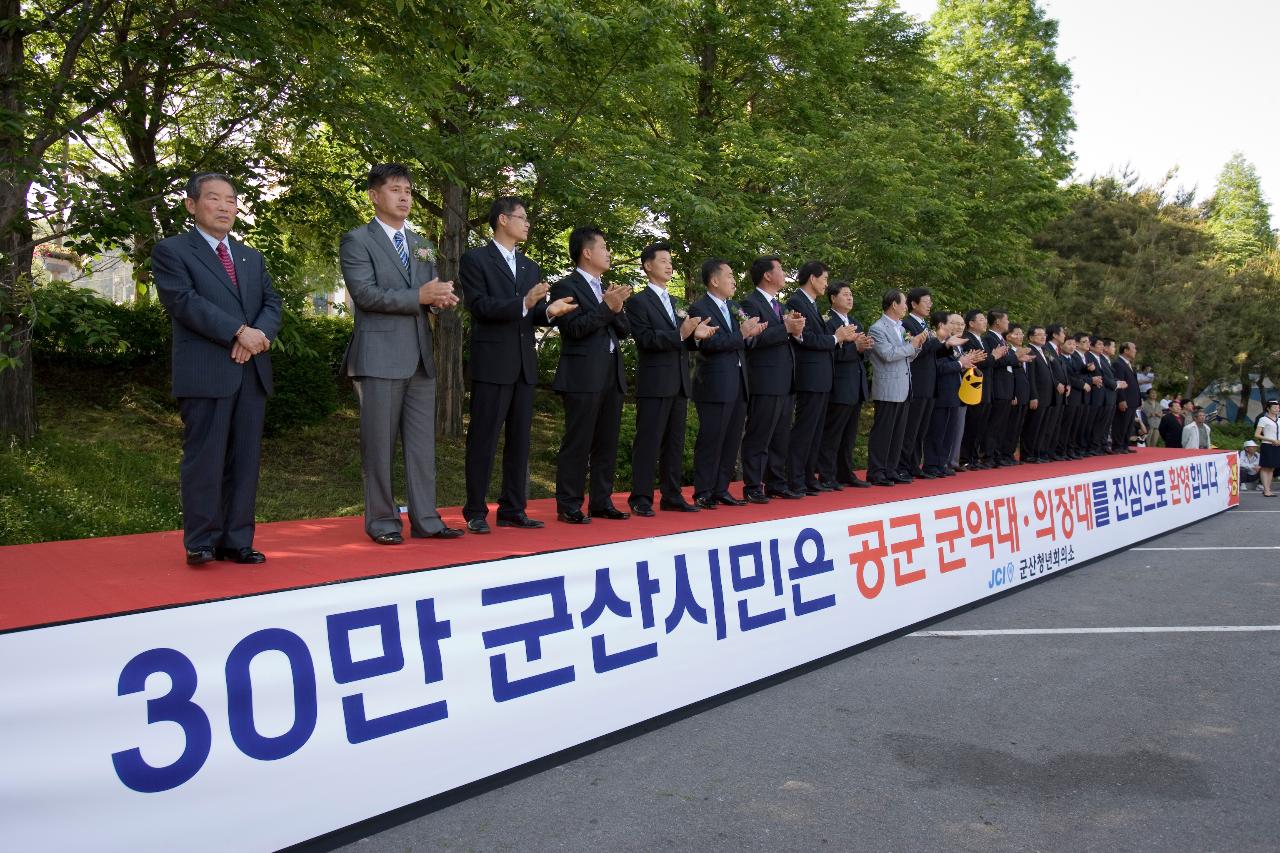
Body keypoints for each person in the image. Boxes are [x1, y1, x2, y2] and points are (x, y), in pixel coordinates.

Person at [153, 172, 282, 566]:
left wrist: (257, 334)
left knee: (244, 460)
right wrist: (238, 332)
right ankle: (202, 540)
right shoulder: (172, 251)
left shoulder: (250, 256)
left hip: (251, 371)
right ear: (192, 205)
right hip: (206, 371)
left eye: (231, 199)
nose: (225, 206)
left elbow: (272, 302)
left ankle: (236, 539)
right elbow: (184, 302)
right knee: (205, 459)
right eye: (214, 198)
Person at [342, 164, 462, 545]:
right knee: (378, 445)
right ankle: (382, 521)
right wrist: (420, 297)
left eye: (408, 189)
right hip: (378, 356)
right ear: (374, 196)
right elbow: (365, 295)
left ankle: (426, 518)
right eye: (395, 189)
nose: (405, 196)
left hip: (420, 356)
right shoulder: (357, 240)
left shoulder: (421, 242)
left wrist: (438, 301)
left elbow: (424, 292)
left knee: (422, 446)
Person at [459, 196, 577, 534]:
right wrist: (524, 302)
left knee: (520, 441)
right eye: (521, 217)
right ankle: (475, 510)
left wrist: (550, 312)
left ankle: (513, 508)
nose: (527, 223)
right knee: (483, 438)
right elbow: (480, 306)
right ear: (501, 220)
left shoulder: (530, 267)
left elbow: (532, 313)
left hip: (525, 364)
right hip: (492, 362)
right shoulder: (475, 260)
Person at [549, 226, 631, 524]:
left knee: (607, 441)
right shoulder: (565, 287)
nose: (609, 253)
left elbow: (624, 329)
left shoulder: (606, 288)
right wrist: (606, 307)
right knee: (578, 441)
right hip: (582, 374)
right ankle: (569, 504)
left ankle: (601, 500)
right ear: (586, 252)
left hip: (611, 373)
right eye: (604, 247)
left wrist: (616, 306)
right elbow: (574, 329)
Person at [625, 242, 713, 516]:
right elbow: (646, 340)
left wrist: (695, 338)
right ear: (648, 265)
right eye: (663, 260)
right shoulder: (638, 302)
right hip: (654, 381)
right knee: (648, 441)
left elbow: (682, 341)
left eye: (670, 260)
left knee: (674, 442)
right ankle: (640, 496)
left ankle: (672, 495)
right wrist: (680, 333)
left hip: (678, 381)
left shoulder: (675, 302)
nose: (669, 264)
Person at [688, 259, 765, 508]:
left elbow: (742, 341)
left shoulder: (733, 306)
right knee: (711, 438)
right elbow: (710, 344)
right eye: (729, 275)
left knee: (732, 439)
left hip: (739, 382)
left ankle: (721, 488)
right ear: (714, 280)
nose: (734, 280)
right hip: (714, 384)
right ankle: (703, 491)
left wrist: (750, 335)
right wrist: (741, 334)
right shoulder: (699, 307)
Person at [787, 261, 859, 494]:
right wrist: (836, 338)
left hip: (822, 377)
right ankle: (795, 478)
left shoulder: (812, 304)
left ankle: (809, 477)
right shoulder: (796, 301)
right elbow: (806, 339)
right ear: (812, 278)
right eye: (824, 278)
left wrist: (838, 337)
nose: (826, 283)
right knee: (805, 429)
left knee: (816, 431)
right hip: (809, 375)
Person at [739, 256, 804, 502]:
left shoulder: (780, 306)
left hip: (785, 378)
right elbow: (753, 340)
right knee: (760, 433)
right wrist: (786, 329)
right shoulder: (750, 303)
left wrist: (796, 332)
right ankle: (753, 485)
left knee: (780, 434)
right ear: (767, 275)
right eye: (780, 268)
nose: (785, 273)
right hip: (764, 379)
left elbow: (785, 336)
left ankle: (776, 482)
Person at [866, 290, 926, 485]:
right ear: (893, 304)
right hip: (887, 386)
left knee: (898, 432)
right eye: (904, 304)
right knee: (883, 431)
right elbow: (887, 354)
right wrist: (912, 345)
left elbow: (906, 356)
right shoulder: (877, 328)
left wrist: (916, 346)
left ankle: (891, 469)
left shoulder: (900, 328)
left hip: (903, 385)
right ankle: (876, 471)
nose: (906, 307)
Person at [819, 281, 873, 488]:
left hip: (856, 383)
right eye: (845, 294)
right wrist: (855, 348)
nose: (850, 298)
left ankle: (845, 473)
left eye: (851, 294)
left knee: (850, 434)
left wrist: (865, 346)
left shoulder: (855, 321)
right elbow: (831, 354)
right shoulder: (828, 321)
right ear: (833, 298)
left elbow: (863, 353)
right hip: (839, 384)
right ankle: (826, 475)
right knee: (833, 433)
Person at [924, 311, 981, 477]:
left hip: (955, 392)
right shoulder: (937, 344)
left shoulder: (953, 345)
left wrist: (965, 363)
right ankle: (931, 464)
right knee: (937, 431)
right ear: (942, 325)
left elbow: (957, 365)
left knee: (949, 432)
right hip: (941, 392)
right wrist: (960, 363)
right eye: (952, 323)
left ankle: (942, 463)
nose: (955, 327)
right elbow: (940, 368)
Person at [900, 288, 945, 479]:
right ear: (913, 304)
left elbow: (932, 352)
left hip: (929, 383)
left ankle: (914, 465)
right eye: (926, 301)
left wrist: (946, 345)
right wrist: (939, 339)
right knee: (910, 429)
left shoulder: (924, 325)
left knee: (921, 429)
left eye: (930, 301)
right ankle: (903, 466)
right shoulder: (906, 324)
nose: (930, 305)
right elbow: (916, 350)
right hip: (916, 383)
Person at [981, 311, 1018, 466]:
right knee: (994, 423)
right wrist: (1015, 357)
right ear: (997, 322)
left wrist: (1013, 358)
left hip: (1007, 386)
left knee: (1002, 424)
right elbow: (993, 361)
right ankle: (988, 455)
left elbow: (1006, 360)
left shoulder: (1001, 339)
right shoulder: (988, 338)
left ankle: (997, 454)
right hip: (997, 385)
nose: (1008, 322)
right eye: (1006, 319)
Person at [1002, 323, 1036, 464]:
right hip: (1013, 393)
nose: (1021, 336)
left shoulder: (1024, 351)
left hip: (1024, 394)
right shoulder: (1009, 351)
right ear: (1008, 336)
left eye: (1022, 333)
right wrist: (1013, 393)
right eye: (1017, 333)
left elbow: (1028, 376)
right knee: (1009, 426)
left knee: (1018, 426)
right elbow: (1011, 375)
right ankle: (1004, 454)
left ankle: (1010, 455)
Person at [1020, 325, 1053, 462]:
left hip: (1048, 395)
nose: (1043, 336)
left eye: (1044, 334)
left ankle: (1037, 452)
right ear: (1031, 337)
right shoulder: (1030, 351)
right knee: (1032, 426)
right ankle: (1027, 454)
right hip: (1037, 395)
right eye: (1039, 334)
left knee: (1042, 426)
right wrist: (1033, 396)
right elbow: (1031, 376)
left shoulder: (1044, 350)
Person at [1111, 341, 1141, 454]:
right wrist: (1121, 399)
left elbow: (1134, 383)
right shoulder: (1118, 363)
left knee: (1128, 424)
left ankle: (1124, 444)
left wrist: (1139, 398)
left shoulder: (1129, 364)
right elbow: (1119, 383)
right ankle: (1117, 445)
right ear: (1126, 350)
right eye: (1133, 348)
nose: (1135, 351)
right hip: (1125, 400)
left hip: (1132, 400)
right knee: (1121, 423)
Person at [1255, 400, 1280, 497]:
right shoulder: (1263, 419)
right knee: (1265, 467)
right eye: (1275, 407)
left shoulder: (1279, 419)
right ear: (1268, 409)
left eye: (1278, 407)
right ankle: (1266, 490)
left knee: (1272, 468)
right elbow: (1257, 435)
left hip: (1277, 446)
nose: (1277, 409)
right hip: (1267, 445)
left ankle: (1268, 489)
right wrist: (1272, 440)